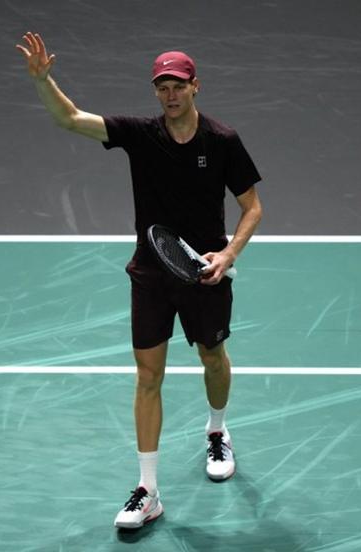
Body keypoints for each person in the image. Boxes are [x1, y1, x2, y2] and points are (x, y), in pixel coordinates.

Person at [16, 32, 263, 529]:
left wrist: (228, 253)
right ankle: (148, 490)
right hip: (151, 272)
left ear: (195, 87)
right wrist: (44, 81)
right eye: (161, 87)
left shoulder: (222, 141)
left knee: (213, 357)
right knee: (148, 377)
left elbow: (252, 207)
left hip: (204, 275)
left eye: (177, 85)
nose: (169, 94)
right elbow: (71, 119)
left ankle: (217, 430)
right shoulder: (139, 134)